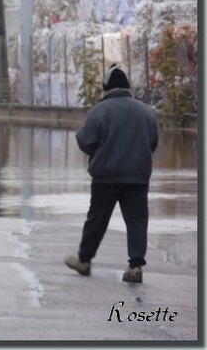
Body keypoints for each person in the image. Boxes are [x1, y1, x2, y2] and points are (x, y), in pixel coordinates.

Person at [65, 64, 159, 283]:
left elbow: (85, 141)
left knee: (97, 218)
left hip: (106, 176)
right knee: (137, 220)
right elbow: (152, 143)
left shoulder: (100, 111)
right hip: (137, 177)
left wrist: (100, 152)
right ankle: (136, 266)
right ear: (127, 87)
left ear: (105, 88)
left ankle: (84, 260)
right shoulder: (147, 112)